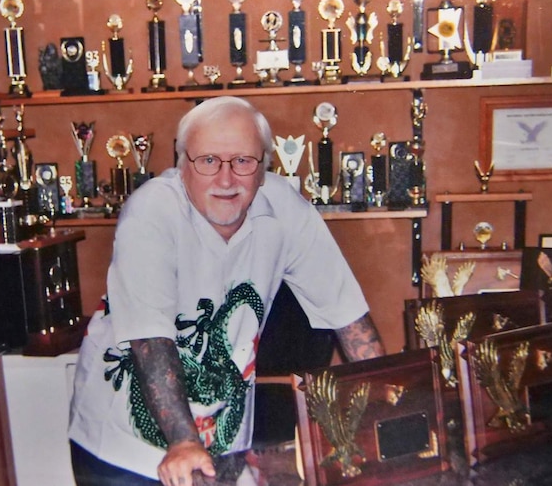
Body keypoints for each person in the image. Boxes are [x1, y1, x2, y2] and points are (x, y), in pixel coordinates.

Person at [68, 96, 384, 486]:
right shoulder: (151, 211)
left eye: (242, 161)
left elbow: (349, 319)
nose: (226, 179)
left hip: (222, 436)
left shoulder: (286, 209)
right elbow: (151, 342)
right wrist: (183, 441)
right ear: (182, 165)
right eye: (208, 161)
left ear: (264, 168)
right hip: (120, 444)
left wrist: (383, 417)